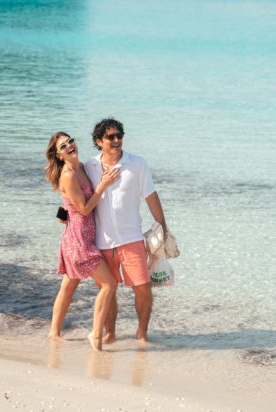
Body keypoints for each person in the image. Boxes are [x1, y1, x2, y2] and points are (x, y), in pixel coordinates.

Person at [85, 118, 168, 344]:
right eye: (110, 137)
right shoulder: (90, 167)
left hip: (131, 239)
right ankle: (110, 334)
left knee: (143, 288)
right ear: (98, 141)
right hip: (102, 241)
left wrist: (163, 226)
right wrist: (65, 218)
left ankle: (142, 333)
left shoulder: (138, 163)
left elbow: (150, 195)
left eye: (119, 135)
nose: (116, 140)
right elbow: (77, 196)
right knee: (107, 290)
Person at [44, 131, 119, 351]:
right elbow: (85, 209)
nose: (69, 146)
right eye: (63, 146)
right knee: (109, 284)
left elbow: (70, 204)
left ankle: (53, 333)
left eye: (70, 141)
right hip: (79, 241)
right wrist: (103, 185)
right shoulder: (68, 174)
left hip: (81, 236)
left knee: (68, 288)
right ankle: (95, 335)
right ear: (59, 155)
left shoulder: (83, 168)